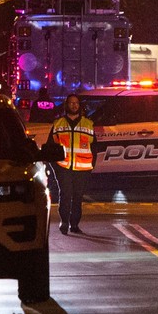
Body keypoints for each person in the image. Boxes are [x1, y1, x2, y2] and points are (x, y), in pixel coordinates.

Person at [47, 93, 96, 234]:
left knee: (78, 197)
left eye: (76, 103)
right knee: (66, 195)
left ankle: (74, 225)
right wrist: (55, 166)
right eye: (71, 103)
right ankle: (64, 222)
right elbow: (51, 148)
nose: (74, 105)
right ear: (66, 105)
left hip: (83, 168)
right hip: (63, 167)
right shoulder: (58, 124)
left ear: (80, 106)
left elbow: (94, 147)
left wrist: (91, 166)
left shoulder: (88, 124)